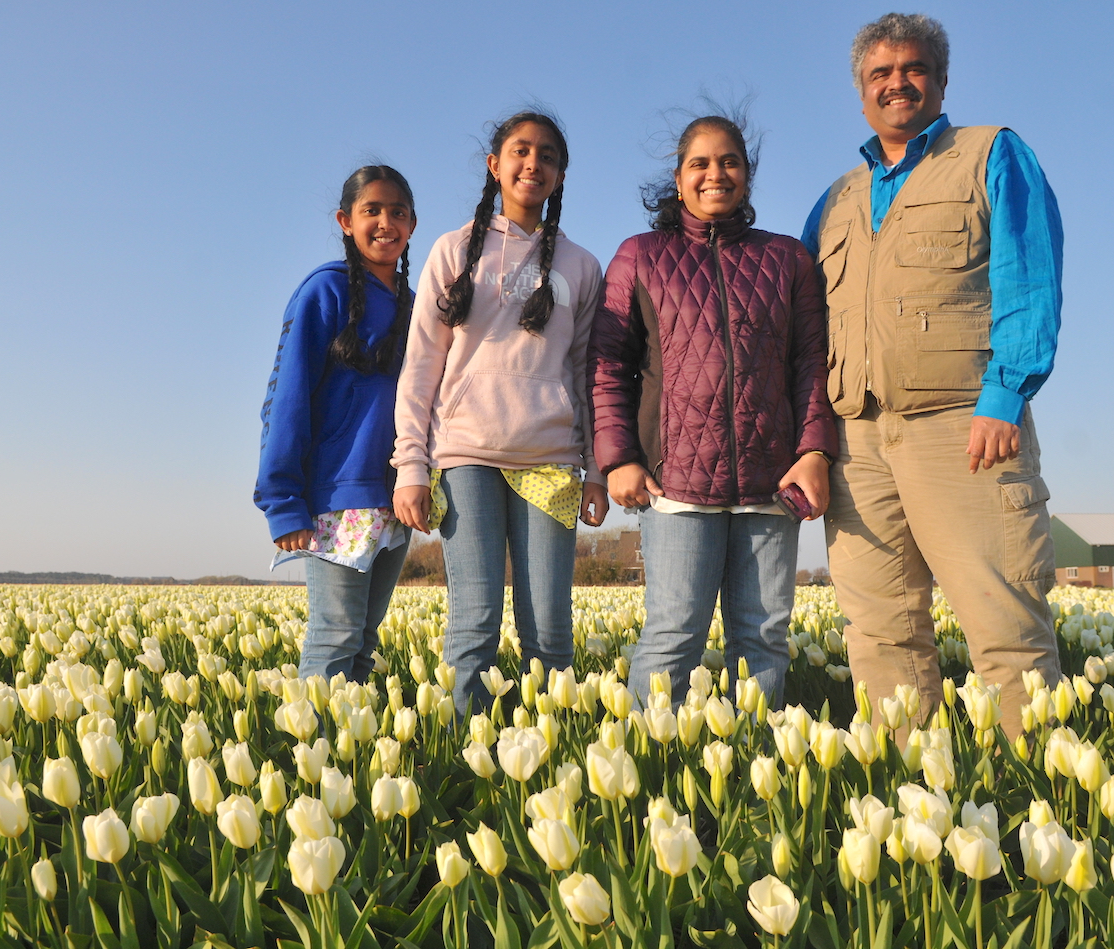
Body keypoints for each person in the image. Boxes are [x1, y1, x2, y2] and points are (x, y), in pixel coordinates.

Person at [800, 13, 1063, 737]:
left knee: (1003, 618)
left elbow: (1028, 280)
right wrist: (810, 437)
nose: (895, 83)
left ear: (941, 81)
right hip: (855, 437)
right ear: (860, 93)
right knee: (878, 631)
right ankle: (906, 810)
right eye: (878, 74)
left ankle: (1036, 807)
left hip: (964, 425)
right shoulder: (834, 200)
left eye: (911, 69)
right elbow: (803, 331)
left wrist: (1003, 397)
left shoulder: (990, 156)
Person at [590, 114, 837, 707]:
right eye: (699, 163)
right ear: (678, 179)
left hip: (770, 481)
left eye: (728, 161)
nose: (714, 174)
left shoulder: (786, 260)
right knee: (674, 635)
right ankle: (647, 774)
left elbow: (810, 363)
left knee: (763, 638)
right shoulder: (640, 256)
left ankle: (753, 772)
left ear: (747, 176)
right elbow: (607, 363)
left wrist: (814, 451)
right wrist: (618, 457)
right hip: (676, 482)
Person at [392, 111, 608, 713]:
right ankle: (474, 760)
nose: (532, 163)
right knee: (475, 626)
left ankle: (555, 762)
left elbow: (587, 372)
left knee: (551, 633)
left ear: (561, 176)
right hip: (466, 458)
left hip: (551, 461)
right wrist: (410, 465)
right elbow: (420, 368)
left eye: (547, 156)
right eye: (519, 151)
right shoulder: (453, 249)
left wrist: (595, 468)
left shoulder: (582, 266)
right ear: (495, 165)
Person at [255, 165, 418, 683]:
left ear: (413, 224)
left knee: (366, 641)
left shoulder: (416, 307)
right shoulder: (324, 292)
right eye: (372, 210)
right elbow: (286, 396)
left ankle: (353, 760)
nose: (385, 222)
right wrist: (283, 503)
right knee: (336, 634)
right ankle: (314, 762)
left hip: (395, 495)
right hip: (337, 496)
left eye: (397, 212)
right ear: (345, 221)